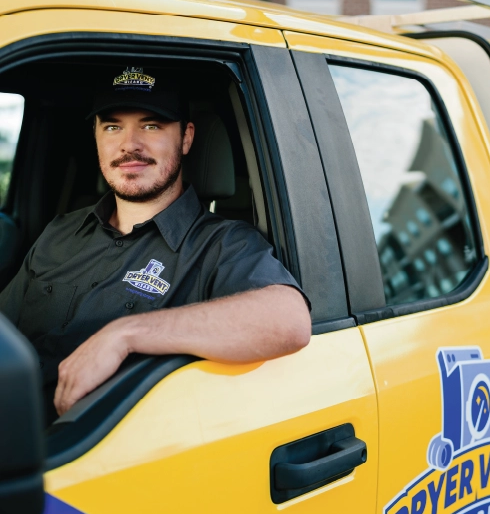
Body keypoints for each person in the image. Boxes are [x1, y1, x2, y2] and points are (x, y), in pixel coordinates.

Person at [0, 66, 311, 423]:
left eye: (152, 125)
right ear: (97, 137)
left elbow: (288, 320)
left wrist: (125, 334)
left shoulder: (222, 245)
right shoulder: (60, 232)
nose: (129, 144)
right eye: (113, 126)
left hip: (91, 455)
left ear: (187, 138)